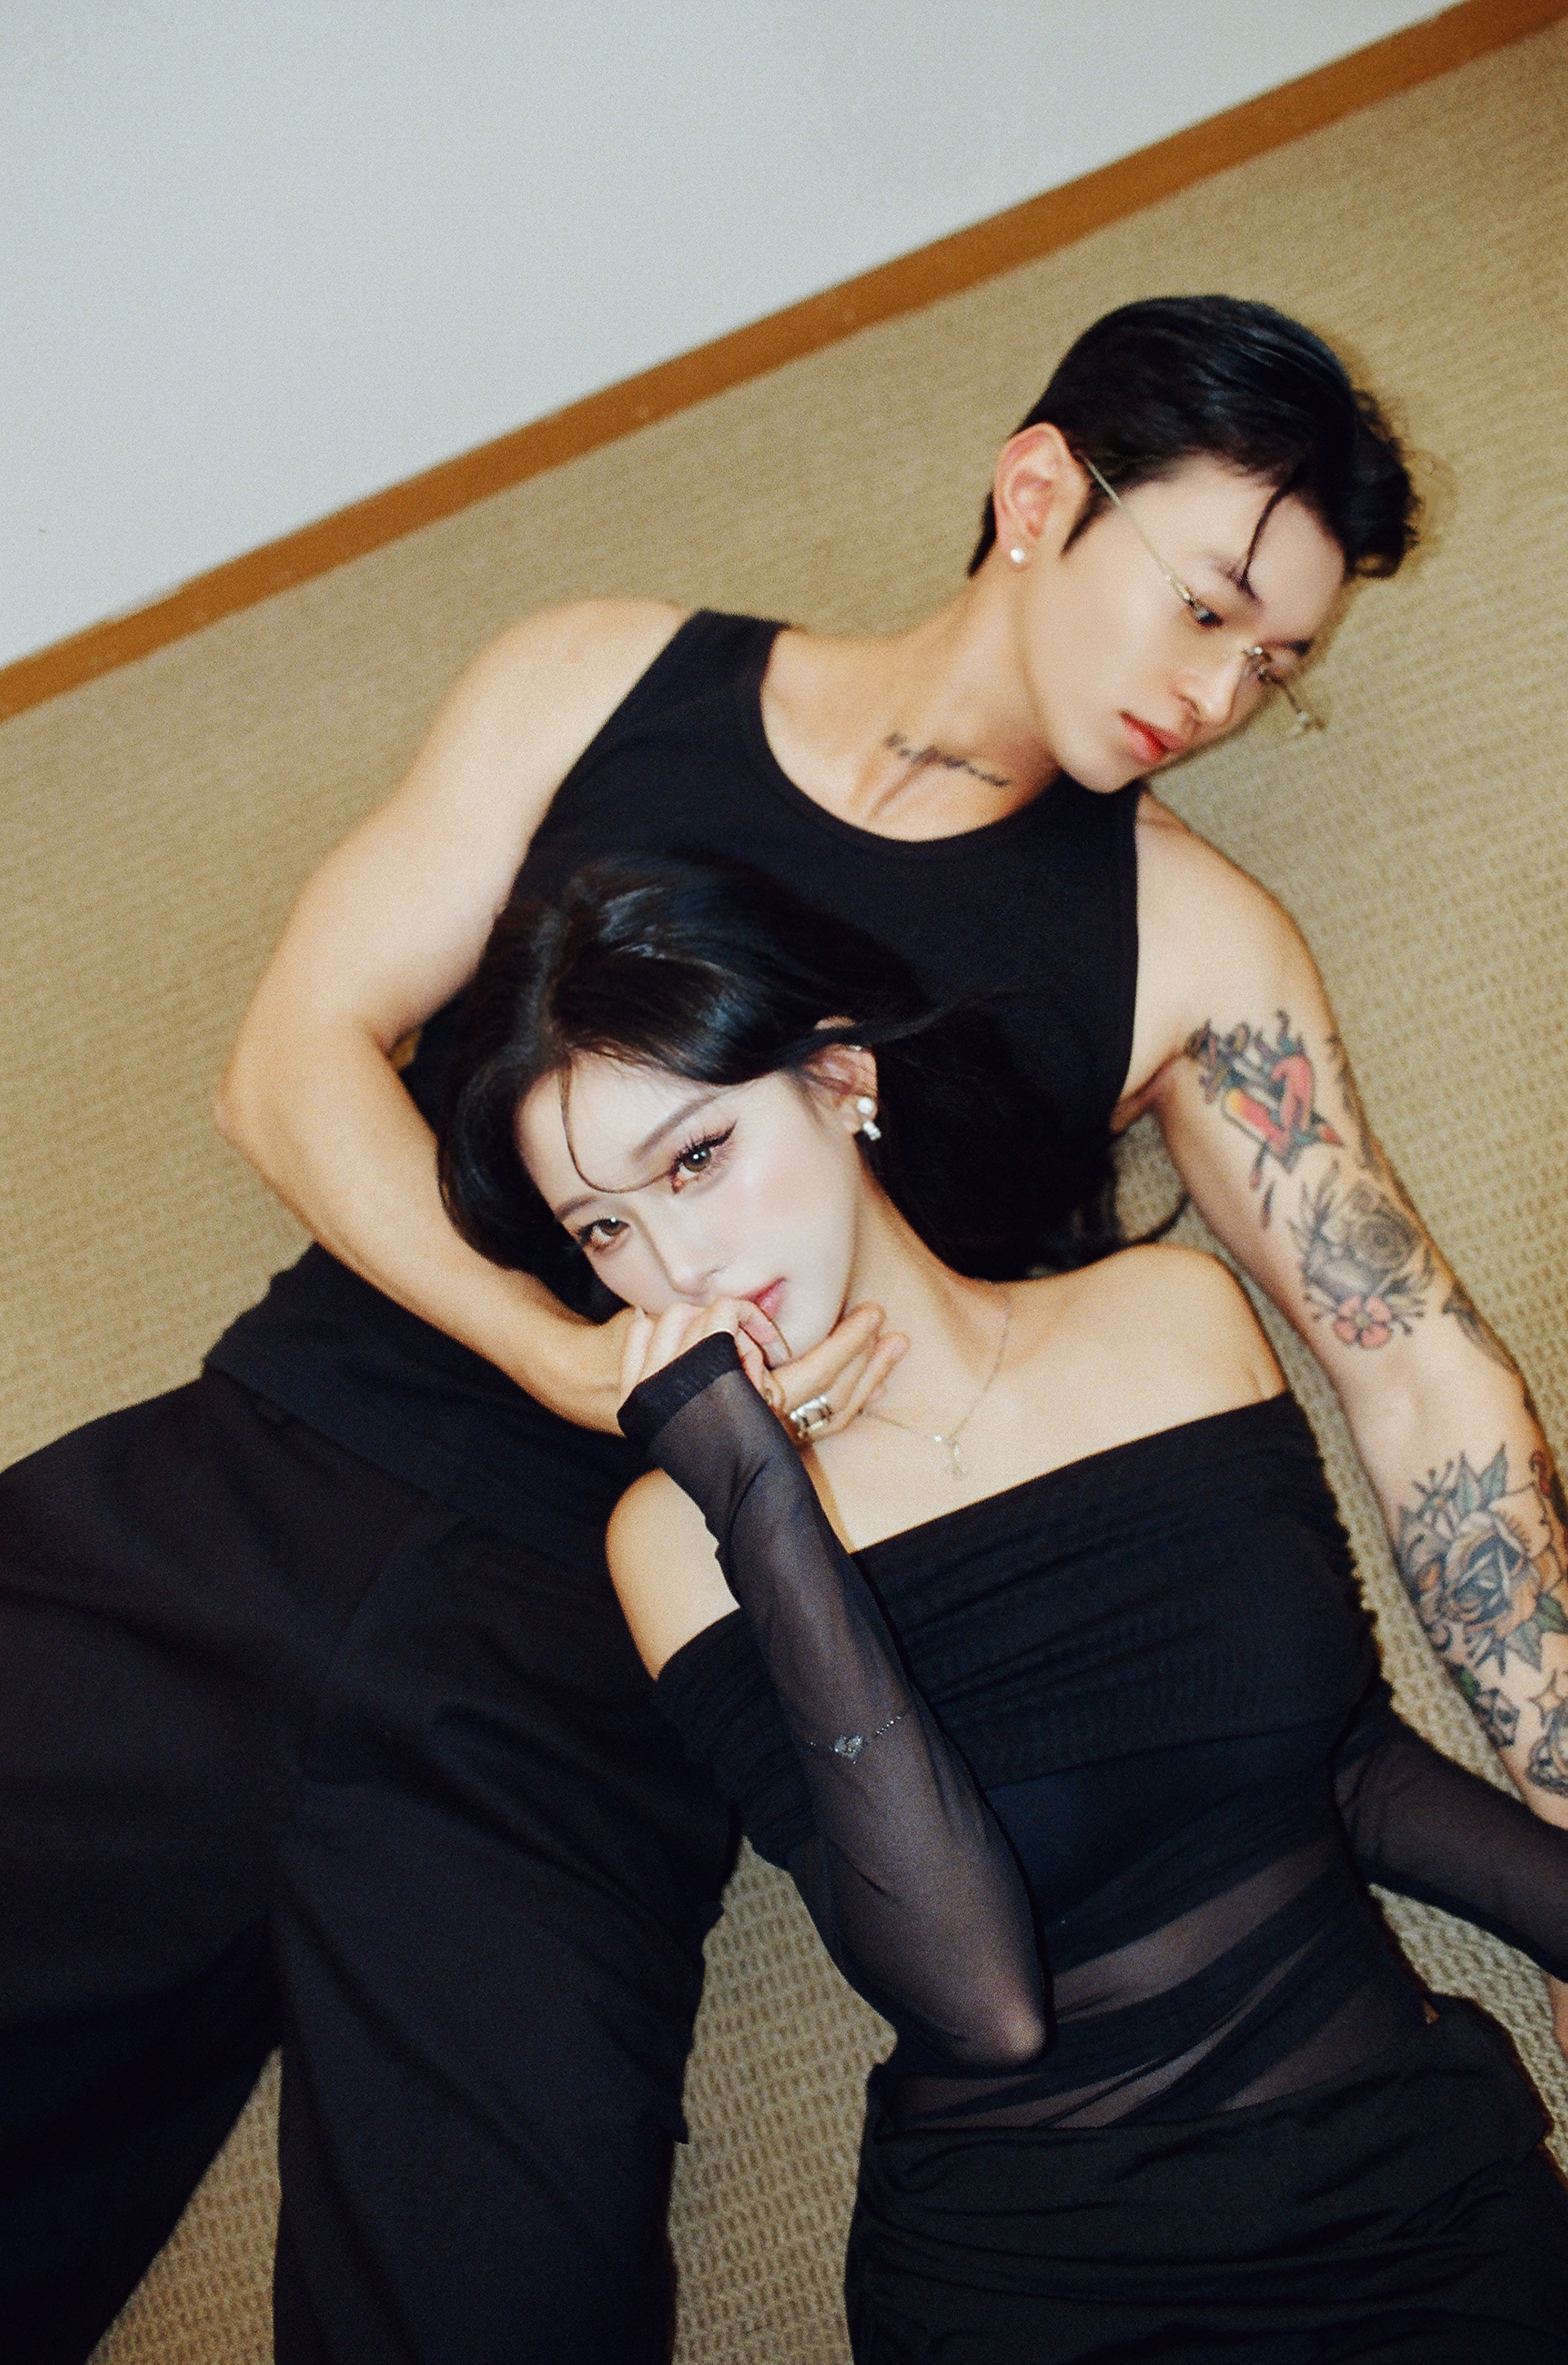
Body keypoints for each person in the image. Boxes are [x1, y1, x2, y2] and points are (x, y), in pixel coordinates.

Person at [2, 296, 1563, 2363]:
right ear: (1038, 489)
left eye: (1273, 665)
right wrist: (568, 1358)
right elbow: (286, 1061)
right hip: (254, 1494)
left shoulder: (1189, 938)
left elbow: (1411, 1360)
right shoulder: (601, 676)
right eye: (1203, 605)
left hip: (616, 1679)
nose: (1217, 693)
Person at [446, 848, 1568, 2362]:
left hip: (1420, 2199)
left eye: (695, 1158)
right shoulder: (677, 1542)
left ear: (840, 1078)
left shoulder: (1170, 1320)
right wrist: (760, 1500)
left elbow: (1344, 1761)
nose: (676, 1265)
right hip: (1047, 2277)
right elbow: (981, 2005)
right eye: (603, 1229)